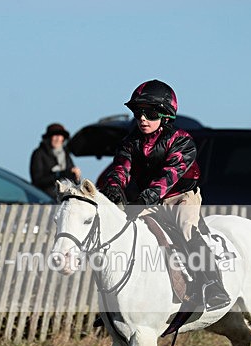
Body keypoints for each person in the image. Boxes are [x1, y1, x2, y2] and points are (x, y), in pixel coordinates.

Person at [98, 79, 230, 311]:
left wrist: (146, 197)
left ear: (165, 115)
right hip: (148, 200)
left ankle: (212, 285)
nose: (142, 118)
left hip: (180, 197)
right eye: (138, 112)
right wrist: (113, 186)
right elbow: (120, 168)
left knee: (188, 230)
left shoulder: (182, 141)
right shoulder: (130, 143)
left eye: (149, 113)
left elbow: (169, 177)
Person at [30, 123, 81, 199]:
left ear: (63, 138)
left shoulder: (66, 154)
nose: (58, 139)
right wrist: (60, 174)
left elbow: (72, 177)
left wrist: (76, 177)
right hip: (46, 198)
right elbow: (37, 180)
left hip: (65, 196)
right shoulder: (39, 154)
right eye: (55, 136)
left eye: (60, 136)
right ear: (49, 138)